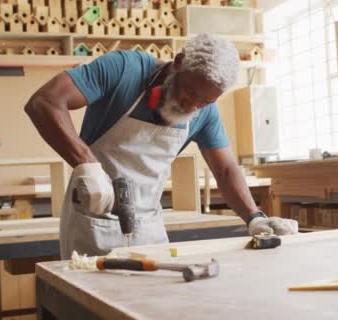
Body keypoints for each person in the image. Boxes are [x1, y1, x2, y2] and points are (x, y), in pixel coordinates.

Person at [25, 33, 298, 259]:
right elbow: (45, 103)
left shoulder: (204, 112)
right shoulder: (125, 69)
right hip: (93, 222)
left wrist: (254, 217)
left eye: (205, 101)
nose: (192, 105)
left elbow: (226, 170)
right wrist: (88, 166)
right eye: (190, 92)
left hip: (149, 229)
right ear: (178, 62)